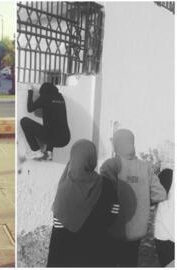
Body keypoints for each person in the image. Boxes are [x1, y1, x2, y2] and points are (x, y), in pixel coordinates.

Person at [100, 129, 167, 267]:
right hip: (137, 231)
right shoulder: (146, 167)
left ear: (117, 144)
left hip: (113, 228)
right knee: (129, 263)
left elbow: (104, 196)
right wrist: (143, 200)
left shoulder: (111, 165)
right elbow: (160, 193)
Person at [47, 139, 119, 267]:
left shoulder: (65, 189)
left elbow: (58, 233)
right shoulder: (107, 185)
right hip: (98, 255)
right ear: (93, 158)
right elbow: (113, 215)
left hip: (69, 258)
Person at [20, 83, 70, 161]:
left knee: (24, 121)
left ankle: (35, 151)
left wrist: (30, 91)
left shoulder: (45, 96)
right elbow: (54, 122)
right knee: (54, 124)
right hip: (65, 139)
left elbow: (30, 108)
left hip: (53, 137)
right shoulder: (60, 97)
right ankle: (49, 152)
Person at [154, 169, 174, 267]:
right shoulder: (168, 175)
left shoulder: (168, 174)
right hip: (166, 237)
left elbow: (152, 198)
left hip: (166, 236)